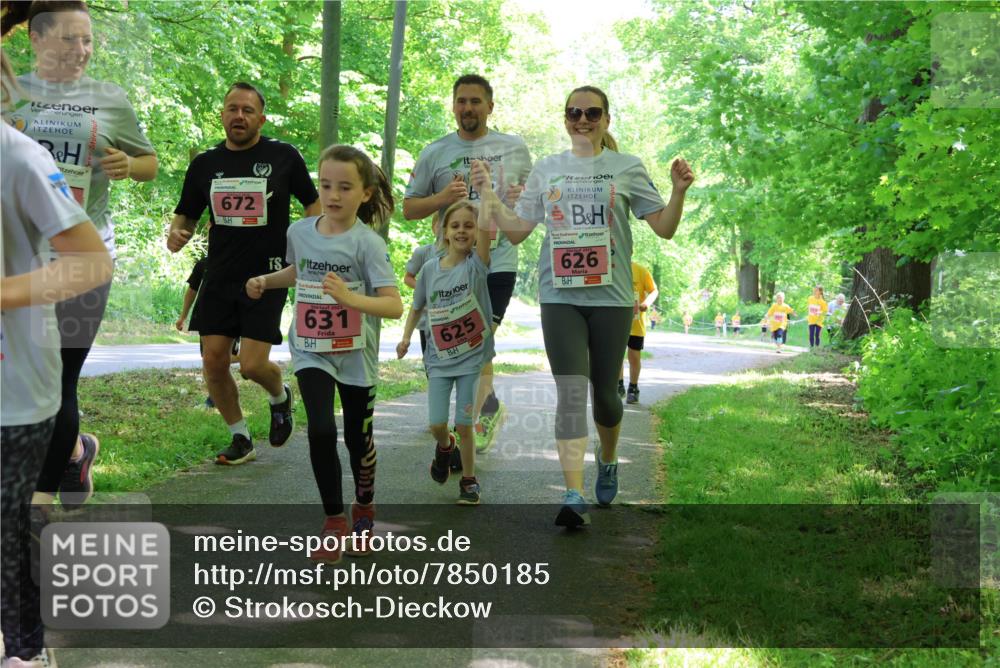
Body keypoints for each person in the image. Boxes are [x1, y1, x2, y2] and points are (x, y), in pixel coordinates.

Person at [472, 85, 694, 527]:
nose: (583, 119)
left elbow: (665, 229)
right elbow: (517, 232)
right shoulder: (549, 168)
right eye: (574, 112)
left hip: (611, 299)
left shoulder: (627, 167)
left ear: (607, 119)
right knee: (571, 392)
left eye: (592, 112)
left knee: (606, 399)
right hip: (560, 296)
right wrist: (492, 200)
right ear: (566, 118)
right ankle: (573, 493)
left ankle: (607, 460)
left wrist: (678, 191)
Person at [4, 0, 159, 513]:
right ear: (36, 39)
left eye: (88, 40)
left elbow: (150, 164)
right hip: (21, 257)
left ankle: (39, 505)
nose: (82, 50)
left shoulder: (109, 99)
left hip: (85, 255)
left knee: (64, 376)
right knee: (27, 376)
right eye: (69, 38)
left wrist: (126, 164)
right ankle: (75, 449)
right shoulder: (10, 91)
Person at [2, 37, 114, 666]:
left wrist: (4, 293)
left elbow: (91, 261)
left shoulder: (15, 154)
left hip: (13, 386)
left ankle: (24, 650)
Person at [245, 145, 400, 562]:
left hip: (355, 355)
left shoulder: (367, 243)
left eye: (345, 187)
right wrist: (266, 280)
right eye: (326, 185)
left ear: (365, 194)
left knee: (356, 439)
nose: (333, 195)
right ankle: (334, 520)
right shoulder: (300, 231)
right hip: (311, 348)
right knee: (319, 430)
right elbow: (300, 270)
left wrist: (350, 297)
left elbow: (393, 304)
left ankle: (363, 509)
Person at [167, 81, 320, 465]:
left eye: (247, 110)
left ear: (261, 118)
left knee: (251, 365)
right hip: (219, 276)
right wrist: (177, 233)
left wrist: (307, 245)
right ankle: (239, 437)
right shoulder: (204, 163)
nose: (239, 116)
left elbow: (313, 203)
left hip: (267, 276)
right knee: (214, 362)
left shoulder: (284, 156)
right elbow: (185, 213)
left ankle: (280, 395)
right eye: (232, 109)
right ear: (222, 114)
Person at [403, 74, 532, 454]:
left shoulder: (515, 149)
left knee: (479, 336)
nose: (468, 108)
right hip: (451, 265)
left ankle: (469, 425)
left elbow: (532, 204)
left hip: (498, 260)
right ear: (453, 105)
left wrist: (520, 197)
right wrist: (442, 196)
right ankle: (480, 406)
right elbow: (409, 208)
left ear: (490, 106)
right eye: (461, 101)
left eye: (476, 101)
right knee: (451, 339)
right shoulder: (435, 152)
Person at [397, 201, 493, 506]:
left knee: (464, 424)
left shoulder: (476, 265)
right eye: (456, 225)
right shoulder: (429, 270)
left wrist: (488, 189)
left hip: (469, 360)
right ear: (444, 231)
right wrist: (406, 337)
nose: (462, 230)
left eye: (469, 225)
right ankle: (444, 445)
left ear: (477, 232)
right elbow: (417, 306)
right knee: (437, 424)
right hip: (439, 360)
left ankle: (468, 480)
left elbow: (488, 231)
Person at [177, 255, 241, 409]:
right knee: (208, 360)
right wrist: (183, 316)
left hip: (231, 317)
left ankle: (248, 361)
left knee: (219, 360)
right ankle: (215, 399)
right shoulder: (203, 264)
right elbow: (192, 290)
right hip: (205, 317)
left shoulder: (239, 260)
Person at [618, 261, 658, 404]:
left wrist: (646, 303)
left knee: (634, 356)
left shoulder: (641, 270)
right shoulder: (610, 267)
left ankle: (633, 388)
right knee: (616, 356)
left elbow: (654, 290)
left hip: (635, 323)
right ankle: (619, 385)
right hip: (615, 322)